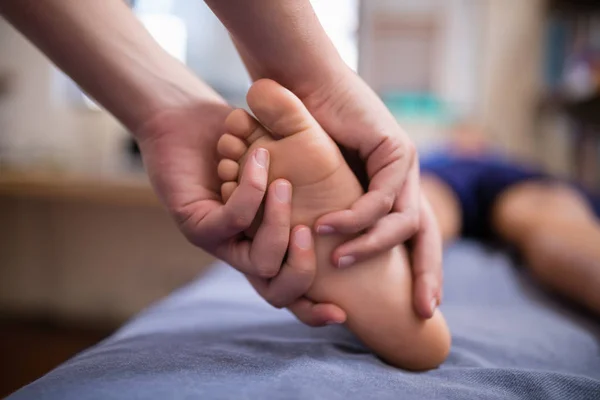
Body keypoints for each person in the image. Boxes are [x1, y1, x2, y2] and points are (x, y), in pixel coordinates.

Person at [0, 0, 443, 325]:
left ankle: (364, 245)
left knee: (439, 205)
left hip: (468, 180)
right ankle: (371, 259)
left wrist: (164, 115)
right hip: (448, 179)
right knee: (420, 206)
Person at [420, 122, 600, 316]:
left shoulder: (504, 161)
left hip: (516, 187)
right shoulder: (433, 157)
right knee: (424, 203)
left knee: (547, 215)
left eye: (474, 133)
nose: (467, 138)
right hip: (442, 181)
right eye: (460, 133)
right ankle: (393, 274)